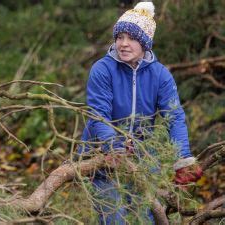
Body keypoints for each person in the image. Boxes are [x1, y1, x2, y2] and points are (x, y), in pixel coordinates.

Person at [79, 2, 202, 224]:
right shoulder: (102, 69)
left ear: (145, 43)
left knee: (144, 216)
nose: (123, 44)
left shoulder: (160, 75)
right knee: (114, 217)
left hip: (141, 154)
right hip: (102, 153)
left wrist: (183, 158)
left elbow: (174, 116)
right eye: (119, 37)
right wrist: (114, 147)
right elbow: (99, 114)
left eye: (132, 38)